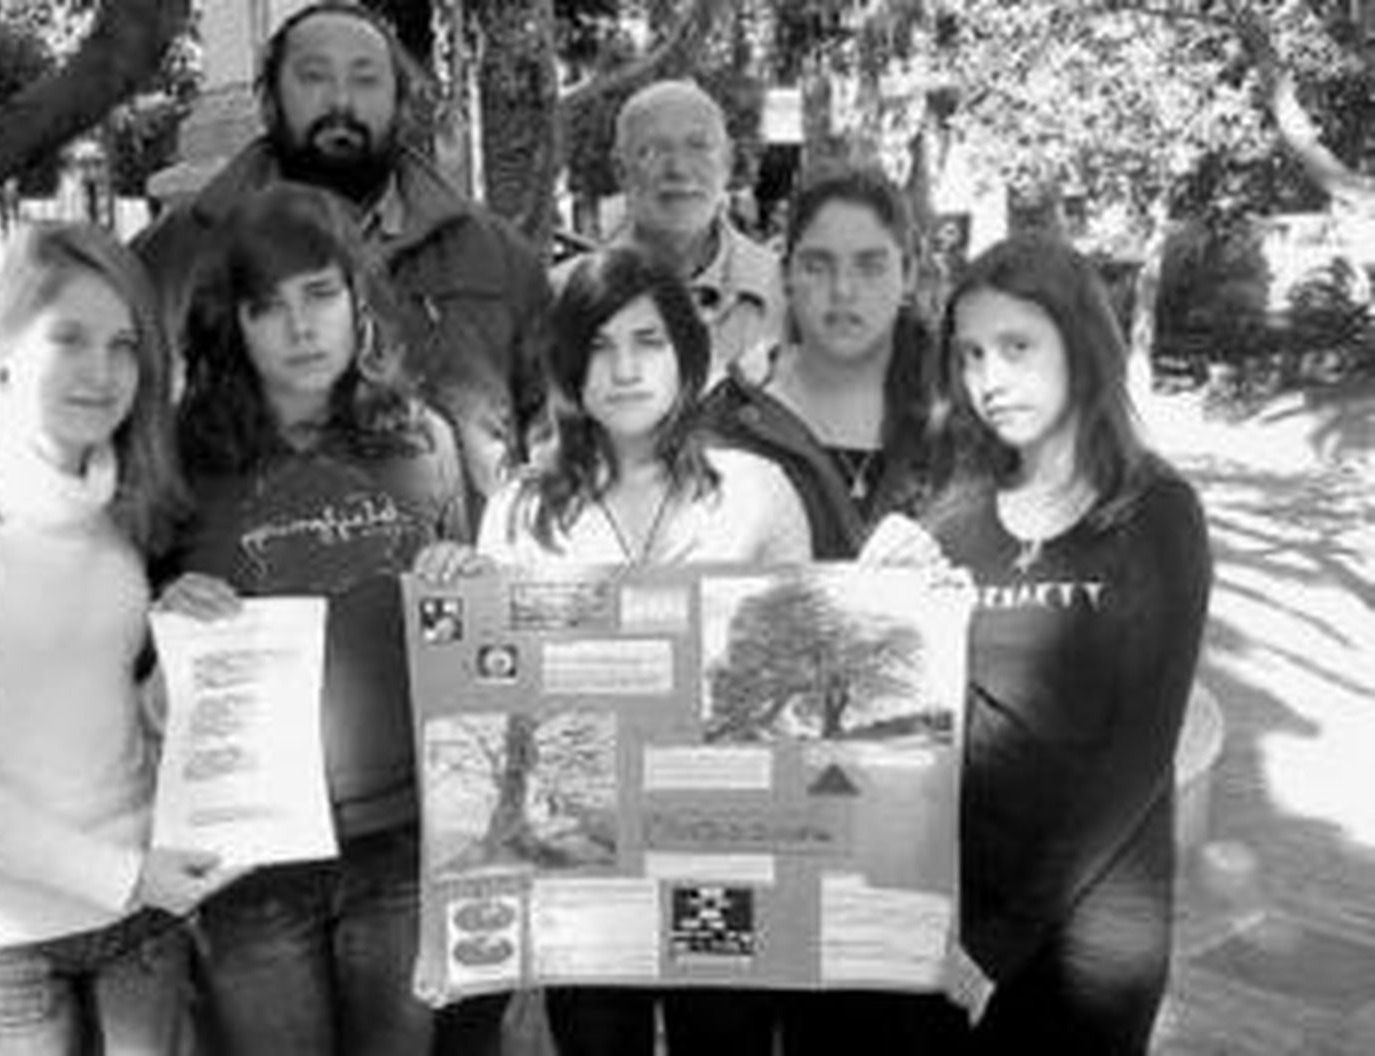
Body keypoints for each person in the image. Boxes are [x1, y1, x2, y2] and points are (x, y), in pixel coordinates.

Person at [0, 222, 228, 1054]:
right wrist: (120, 874)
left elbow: (86, 709)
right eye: (67, 337)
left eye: (124, 345)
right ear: (1, 349)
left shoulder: (116, 514)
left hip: (139, 923)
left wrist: (175, 677)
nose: (101, 373)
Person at [154, 183, 477, 1055]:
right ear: (234, 323)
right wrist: (164, 615)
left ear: (359, 301)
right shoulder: (182, 456)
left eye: (321, 295)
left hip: (402, 849)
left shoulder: (424, 442)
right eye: (269, 307)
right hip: (250, 864)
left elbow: (473, 639)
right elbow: (129, 649)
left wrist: (468, 582)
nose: (301, 329)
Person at [476, 244, 811, 1055]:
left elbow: (805, 666)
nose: (624, 368)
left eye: (649, 342)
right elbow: (487, 683)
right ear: (567, 366)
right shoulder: (522, 506)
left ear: (688, 358)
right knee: (596, 1040)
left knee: (724, 1039)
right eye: (598, 345)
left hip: (722, 847)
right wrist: (457, 585)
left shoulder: (755, 492)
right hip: (583, 858)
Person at [685, 168, 968, 1053]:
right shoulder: (727, 416)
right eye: (817, 264)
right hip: (753, 806)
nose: (843, 290)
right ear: (784, 271)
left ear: (911, 269)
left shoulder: (965, 410)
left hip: (906, 811)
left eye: (870, 264)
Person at [926, 235, 1212, 1054]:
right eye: (973, 353)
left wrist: (998, 943)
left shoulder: (1154, 513)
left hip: (1093, 936)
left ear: (1080, 346)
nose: (991, 378)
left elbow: (1133, 757)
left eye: (1017, 347)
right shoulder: (957, 519)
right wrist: (888, 593)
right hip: (963, 909)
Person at [135, 0, 550, 520]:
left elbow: (558, 446)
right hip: (243, 589)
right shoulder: (177, 255)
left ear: (400, 101)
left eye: (366, 79)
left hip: (449, 587)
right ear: (269, 100)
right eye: (313, 77)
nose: (341, 101)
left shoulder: (498, 260)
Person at [554, 79, 783, 381]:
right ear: (621, 171)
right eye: (653, 151)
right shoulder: (559, 300)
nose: (679, 168)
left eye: (699, 147)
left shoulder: (788, 293)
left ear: (728, 162)